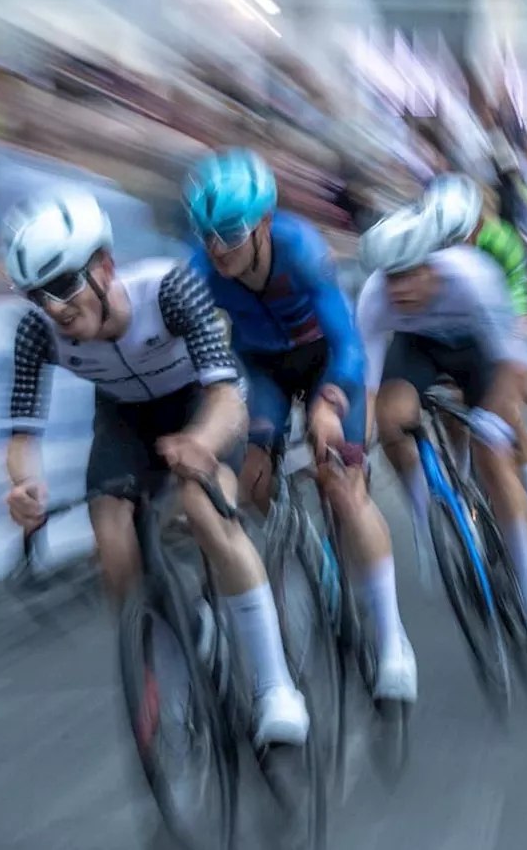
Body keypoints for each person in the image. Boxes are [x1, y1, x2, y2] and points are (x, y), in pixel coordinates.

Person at [1, 186, 310, 748]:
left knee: (205, 507)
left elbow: (227, 398)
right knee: (115, 549)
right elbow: (22, 436)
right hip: (124, 418)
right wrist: (23, 484)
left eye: (64, 284)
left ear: (105, 266)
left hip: (203, 402)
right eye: (35, 294)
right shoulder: (35, 332)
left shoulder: (168, 288)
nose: (53, 308)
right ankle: (181, 664)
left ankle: (276, 687)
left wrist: (201, 442)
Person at [182, 149, 416, 702]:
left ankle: (392, 641)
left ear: (264, 222)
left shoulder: (301, 250)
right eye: (207, 234)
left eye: (232, 232)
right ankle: (308, 550)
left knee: (343, 485)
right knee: (256, 480)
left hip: (327, 360)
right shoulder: (198, 269)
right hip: (262, 364)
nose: (218, 247)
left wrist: (330, 402)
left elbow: (346, 341)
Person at [355, 205, 527, 676]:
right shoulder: (376, 297)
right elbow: (368, 392)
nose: (399, 289)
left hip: (480, 348)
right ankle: (426, 516)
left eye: (409, 275)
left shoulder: (474, 278)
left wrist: (492, 425)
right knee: (393, 419)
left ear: (434, 262)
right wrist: (357, 448)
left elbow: (520, 370)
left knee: (494, 453)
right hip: (418, 350)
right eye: (390, 278)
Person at [422, 173, 527, 561]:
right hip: (454, 322)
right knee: (451, 410)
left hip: (500, 316)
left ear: (478, 224)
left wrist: (513, 354)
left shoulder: (501, 240)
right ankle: (463, 498)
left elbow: (514, 304)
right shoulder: (428, 238)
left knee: (509, 414)